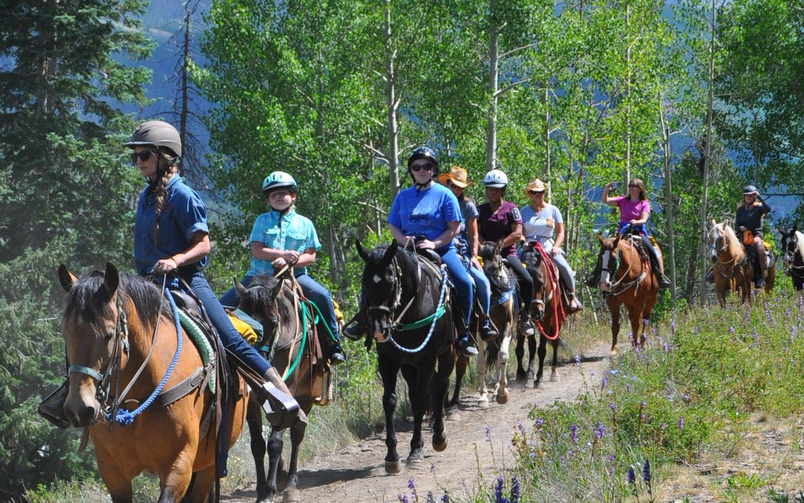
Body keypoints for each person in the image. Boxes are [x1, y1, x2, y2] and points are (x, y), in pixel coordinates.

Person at [38, 120, 301, 429]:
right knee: (95, 329)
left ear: (165, 157)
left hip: (186, 282)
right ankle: (72, 393)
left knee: (228, 336)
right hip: (148, 285)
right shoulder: (144, 197)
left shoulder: (184, 196)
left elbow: (203, 244)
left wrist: (176, 259)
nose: (138, 163)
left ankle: (277, 393)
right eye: (134, 157)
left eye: (144, 156)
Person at [345, 147, 477, 356]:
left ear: (433, 169)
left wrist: (434, 243)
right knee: (373, 273)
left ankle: (463, 334)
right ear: (411, 170)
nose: (422, 170)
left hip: (440, 249)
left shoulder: (445, 195)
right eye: (417, 167)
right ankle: (362, 322)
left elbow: (454, 227)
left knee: (465, 282)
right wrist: (403, 240)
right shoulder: (403, 196)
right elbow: (393, 225)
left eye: (427, 166)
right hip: (406, 250)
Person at [219, 171, 345, 365]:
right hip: (259, 277)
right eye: (273, 194)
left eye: (283, 193)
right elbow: (257, 250)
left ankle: (333, 345)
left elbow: (310, 255)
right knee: (221, 306)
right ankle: (219, 347)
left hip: (295, 276)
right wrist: (283, 254)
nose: (278, 197)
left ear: (293, 196)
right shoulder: (262, 220)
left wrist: (290, 263)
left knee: (322, 296)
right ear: (268, 199)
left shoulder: (305, 223)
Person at [439, 165, 498, 340]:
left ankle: (484, 322)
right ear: (447, 184)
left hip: (461, 252)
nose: (455, 190)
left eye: (459, 187)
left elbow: (474, 234)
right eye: (453, 185)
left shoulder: (468, 206)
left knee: (482, 282)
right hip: (439, 249)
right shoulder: (438, 202)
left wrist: (473, 255)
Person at [477, 169, 535, 336]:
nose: (493, 192)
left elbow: (517, 233)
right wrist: (485, 246)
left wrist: (498, 246)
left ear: (503, 190)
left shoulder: (511, 209)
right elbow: (477, 231)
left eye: (497, 189)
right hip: (484, 255)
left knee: (528, 279)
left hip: (507, 254)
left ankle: (525, 316)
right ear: (486, 190)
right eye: (490, 189)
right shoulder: (480, 210)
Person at [518, 178, 582, 312]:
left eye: (541, 191)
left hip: (547, 244)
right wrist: (523, 242)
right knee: (513, 266)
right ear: (530, 194)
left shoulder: (553, 210)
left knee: (565, 267)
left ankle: (571, 296)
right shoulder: (523, 211)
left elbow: (560, 232)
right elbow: (520, 233)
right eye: (535, 192)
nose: (538, 194)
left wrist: (556, 246)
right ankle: (512, 298)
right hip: (529, 246)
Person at [601, 178, 670, 288]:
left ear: (640, 189)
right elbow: (605, 200)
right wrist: (606, 189)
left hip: (639, 232)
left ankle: (660, 276)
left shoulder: (644, 203)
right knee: (606, 249)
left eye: (635, 186)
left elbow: (644, 219)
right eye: (630, 186)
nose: (632, 188)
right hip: (622, 233)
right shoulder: (622, 200)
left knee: (653, 251)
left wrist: (636, 222)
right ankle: (596, 277)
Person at [735, 184, 771, 289]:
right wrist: (740, 228)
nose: (749, 197)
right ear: (744, 197)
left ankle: (760, 276)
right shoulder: (740, 210)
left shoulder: (758, 207)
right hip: (742, 235)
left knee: (757, 244)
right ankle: (714, 273)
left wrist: (759, 196)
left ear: (754, 197)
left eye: (751, 196)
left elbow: (768, 208)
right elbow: (736, 225)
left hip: (755, 234)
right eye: (747, 196)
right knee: (725, 244)